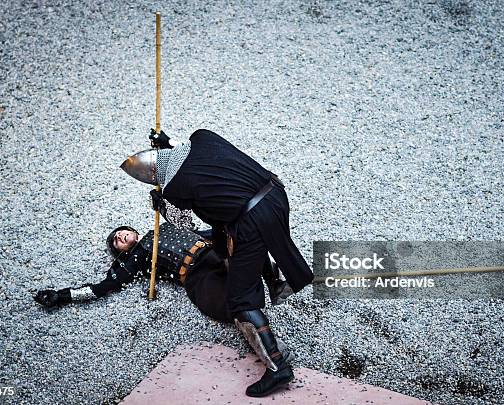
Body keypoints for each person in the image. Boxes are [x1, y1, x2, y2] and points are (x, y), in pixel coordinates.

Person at [122, 128, 314, 397]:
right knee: (227, 238)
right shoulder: (202, 137)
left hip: (251, 220)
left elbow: (184, 225)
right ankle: (277, 282)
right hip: (274, 195)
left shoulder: (175, 187)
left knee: (240, 300)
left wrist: (162, 205)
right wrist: (167, 142)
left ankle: (276, 367)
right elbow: (183, 148)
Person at [33, 222, 292, 324]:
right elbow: (103, 287)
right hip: (196, 275)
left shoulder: (163, 226)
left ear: (131, 228)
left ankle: (275, 283)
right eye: (116, 241)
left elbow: (202, 231)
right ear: (120, 252)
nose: (119, 236)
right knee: (230, 307)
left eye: (121, 232)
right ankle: (267, 344)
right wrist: (63, 296)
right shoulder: (136, 259)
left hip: (211, 252)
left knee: (246, 238)